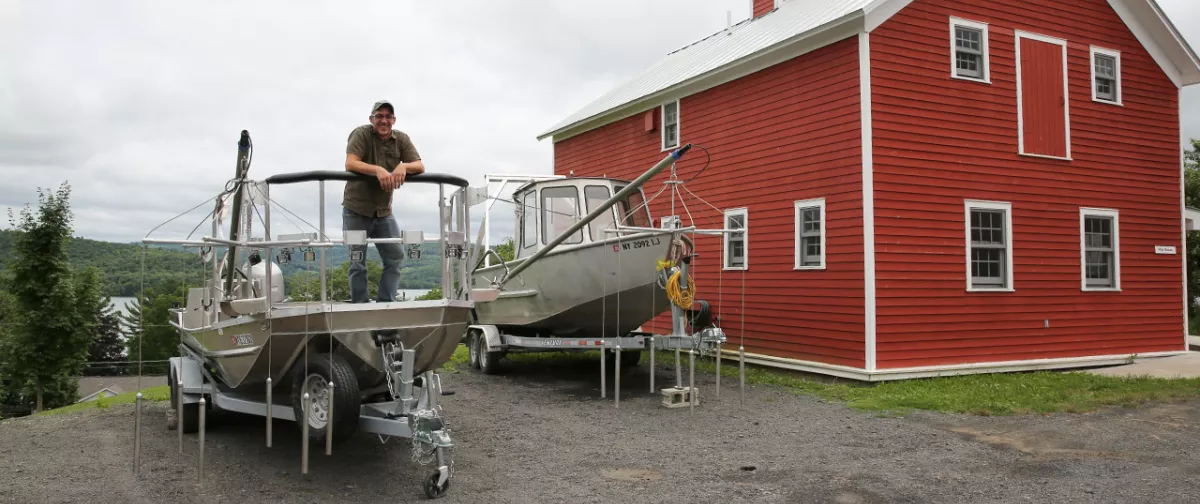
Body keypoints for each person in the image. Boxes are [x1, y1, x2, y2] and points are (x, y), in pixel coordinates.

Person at [342, 100, 424, 303]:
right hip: (356, 209)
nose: (384, 120)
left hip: (383, 211)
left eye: (388, 116)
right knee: (357, 261)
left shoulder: (401, 139)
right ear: (372, 119)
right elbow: (351, 162)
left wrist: (403, 167)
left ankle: (386, 303)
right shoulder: (361, 134)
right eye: (379, 116)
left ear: (394, 120)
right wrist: (377, 169)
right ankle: (360, 306)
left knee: (395, 257)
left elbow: (419, 165)